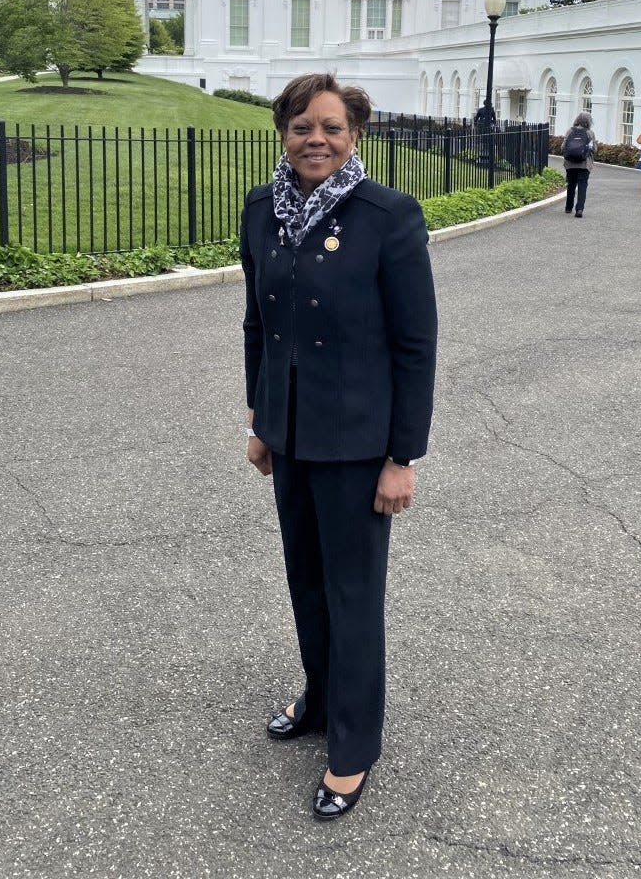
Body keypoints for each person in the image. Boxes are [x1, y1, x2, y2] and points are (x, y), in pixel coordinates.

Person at [240, 73, 437, 821]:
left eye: (330, 127)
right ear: (282, 133)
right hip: (291, 436)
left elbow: (414, 345)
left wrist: (401, 457)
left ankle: (353, 747)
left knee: (353, 598)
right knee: (307, 583)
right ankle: (319, 701)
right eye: (300, 126)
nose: (314, 139)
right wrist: (261, 419)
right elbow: (259, 325)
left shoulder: (387, 216)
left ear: (354, 135)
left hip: (358, 446)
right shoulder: (262, 210)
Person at [560, 111, 596, 217]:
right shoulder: (590, 133)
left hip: (570, 163)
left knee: (571, 184)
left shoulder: (569, 131)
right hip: (584, 164)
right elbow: (594, 149)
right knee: (582, 185)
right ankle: (579, 209)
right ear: (589, 122)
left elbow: (562, 147)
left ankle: (568, 207)